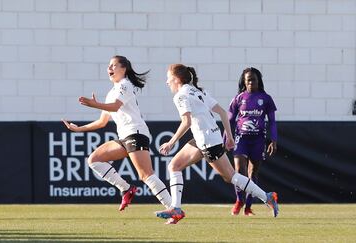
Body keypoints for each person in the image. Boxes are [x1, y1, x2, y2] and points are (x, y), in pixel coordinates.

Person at [155, 64, 279, 224]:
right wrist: (229, 136)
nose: (167, 82)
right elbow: (222, 112)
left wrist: (171, 142)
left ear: (177, 79)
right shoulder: (198, 91)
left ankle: (267, 197)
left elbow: (186, 121)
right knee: (174, 166)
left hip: (207, 141)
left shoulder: (180, 96)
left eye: (169, 78)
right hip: (206, 138)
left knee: (231, 177)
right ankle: (176, 209)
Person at [62, 55, 172, 212]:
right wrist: (78, 129)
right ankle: (126, 189)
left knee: (146, 175)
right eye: (109, 66)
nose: (109, 68)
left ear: (124, 69)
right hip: (125, 136)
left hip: (136, 133)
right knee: (94, 160)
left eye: (113, 65)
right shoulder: (111, 92)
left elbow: (115, 107)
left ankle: (173, 208)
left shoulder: (125, 85)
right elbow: (102, 122)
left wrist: (95, 104)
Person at [228, 67, 277, 216]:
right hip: (241, 138)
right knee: (238, 171)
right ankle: (239, 200)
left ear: (258, 81)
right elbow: (229, 119)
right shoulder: (238, 98)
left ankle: (248, 207)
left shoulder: (266, 98)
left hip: (258, 140)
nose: (251, 82)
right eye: (248, 80)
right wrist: (226, 138)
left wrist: (273, 140)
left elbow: (273, 122)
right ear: (244, 81)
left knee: (252, 173)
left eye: (253, 79)